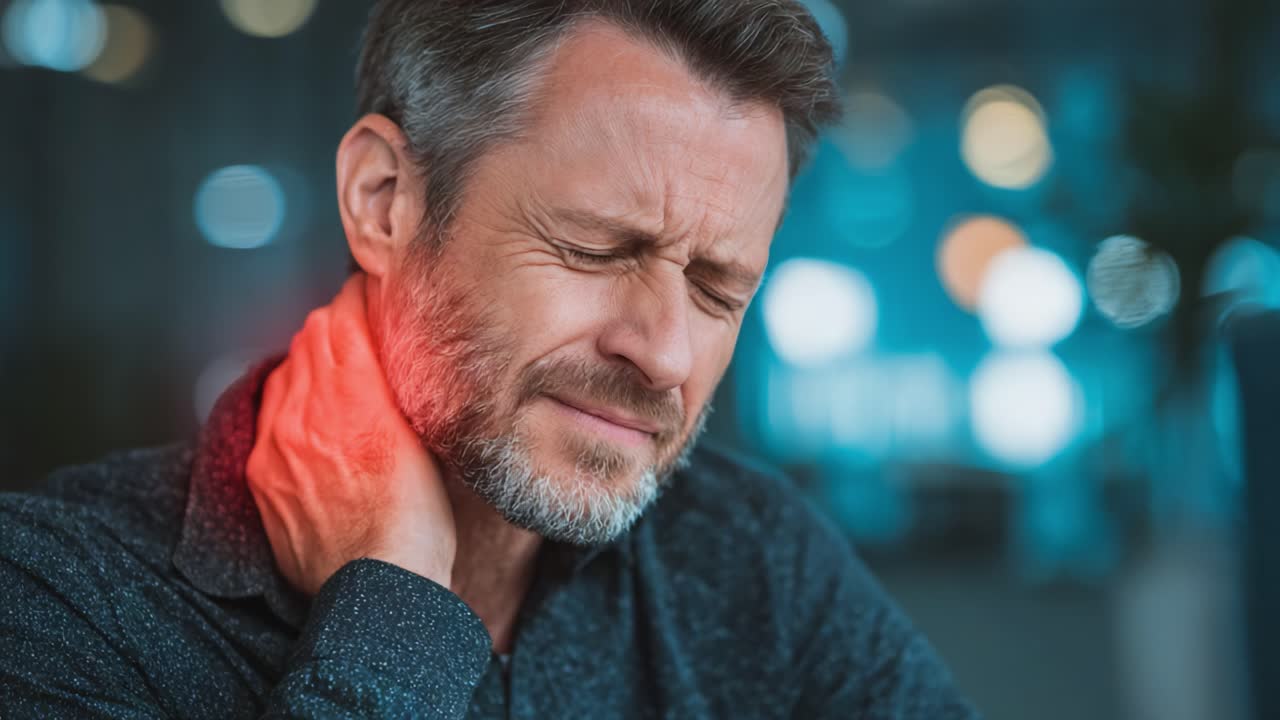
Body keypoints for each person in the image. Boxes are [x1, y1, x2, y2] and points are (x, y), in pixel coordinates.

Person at [0, 1, 980, 717]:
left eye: (716, 289)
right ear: (384, 198)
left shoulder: (754, 561)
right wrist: (393, 624)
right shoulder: (52, 594)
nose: (663, 353)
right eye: (595, 249)